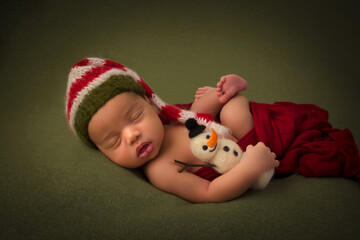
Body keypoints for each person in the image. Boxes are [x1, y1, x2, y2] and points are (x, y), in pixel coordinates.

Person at [65, 57, 360, 203]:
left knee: (228, 106)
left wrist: (224, 91)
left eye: (134, 117)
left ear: (150, 102)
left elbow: (195, 116)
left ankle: (233, 85)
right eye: (113, 141)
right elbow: (207, 192)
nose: (131, 136)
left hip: (234, 131)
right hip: (246, 154)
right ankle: (235, 108)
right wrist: (250, 168)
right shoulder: (160, 170)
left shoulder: (169, 120)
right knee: (227, 114)